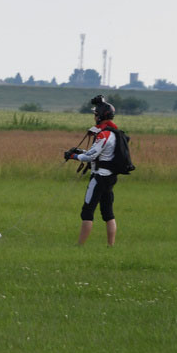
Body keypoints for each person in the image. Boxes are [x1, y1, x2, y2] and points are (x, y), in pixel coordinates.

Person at [64, 96, 120, 246]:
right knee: (108, 213)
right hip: (110, 178)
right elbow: (101, 154)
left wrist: (73, 155)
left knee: (87, 212)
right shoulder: (115, 134)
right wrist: (81, 151)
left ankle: (79, 246)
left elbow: (90, 156)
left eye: (96, 114)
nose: (94, 117)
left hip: (99, 177)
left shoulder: (103, 134)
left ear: (100, 116)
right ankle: (111, 246)